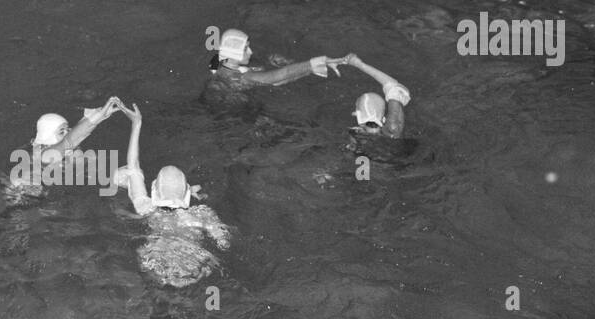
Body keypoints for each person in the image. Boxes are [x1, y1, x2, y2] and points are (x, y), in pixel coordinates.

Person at [112, 102, 230, 287]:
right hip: (194, 263)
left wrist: (137, 123)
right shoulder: (202, 213)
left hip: (157, 260)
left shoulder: (147, 208)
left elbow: (133, 168)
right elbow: (223, 242)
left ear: (155, 193)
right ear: (186, 195)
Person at [207, 28, 347, 89]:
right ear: (234, 54)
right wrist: (318, 62)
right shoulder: (239, 78)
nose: (251, 51)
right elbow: (277, 77)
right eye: (245, 49)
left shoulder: (218, 62)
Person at [31, 97, 124, 167]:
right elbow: (71, 139)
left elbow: (76, 136)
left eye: (67, 129)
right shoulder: (45, 156)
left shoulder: (69, 149)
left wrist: (100, 115)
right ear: (48, 137)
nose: (67, 133)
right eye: (61, 132)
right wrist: (98, 116)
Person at [343, 53, 410, 139]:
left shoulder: (357, 132)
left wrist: (358, 64)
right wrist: (358, 64)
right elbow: (394, 87)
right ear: (383, 118)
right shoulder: (392, 129)